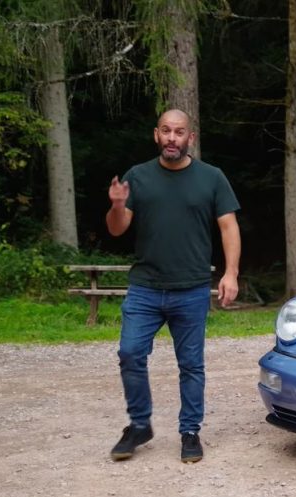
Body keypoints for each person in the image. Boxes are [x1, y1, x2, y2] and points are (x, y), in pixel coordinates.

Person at [106, 109, 241, 463]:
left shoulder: (211, 178)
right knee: (130, 353)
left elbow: (228, 227)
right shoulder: (138, 176)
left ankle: (190, 431)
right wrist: (118, 204)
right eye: (166, 131)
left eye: (179, 132)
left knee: (191, 364)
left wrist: (231, 273)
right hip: (145, 287)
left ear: (189, 138)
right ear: (156, 135)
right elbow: (117, 228)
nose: (172, 138)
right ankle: (139, 425)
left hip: (192, 288)